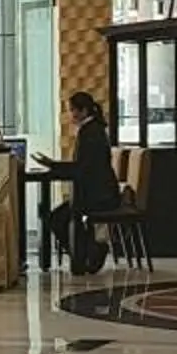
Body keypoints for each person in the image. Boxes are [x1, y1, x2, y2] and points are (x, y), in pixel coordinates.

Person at [39, 90, 121, 267]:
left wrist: (54, 166)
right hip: (101, 192)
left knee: (56, 218)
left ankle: (88, 253)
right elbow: (83, 167)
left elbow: (83, 168)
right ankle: (87, 254)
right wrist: (54, 165)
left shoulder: (90, 132)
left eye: (73, 110)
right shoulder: (94, 129)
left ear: (84, 111)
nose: (71, 115)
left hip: (98, 196)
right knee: (59, 216)